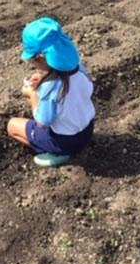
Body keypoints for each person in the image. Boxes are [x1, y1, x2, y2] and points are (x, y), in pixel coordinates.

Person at [7, 17, 95, 167]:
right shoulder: (79, 69)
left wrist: (32, 95)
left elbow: (42, 122)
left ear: (41, 57)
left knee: (12, 126)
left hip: (65, 141)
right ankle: (63, 149)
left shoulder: (51, 87)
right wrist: (42, 78)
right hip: (87, 131)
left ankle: (58, 153)